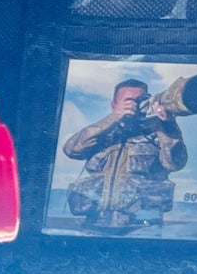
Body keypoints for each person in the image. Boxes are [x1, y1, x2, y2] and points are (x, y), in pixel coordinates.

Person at [63, 78, 188, 232]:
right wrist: (113, 118)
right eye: (129, 101)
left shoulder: (158, 134)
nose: (135, 105)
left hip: (142, 230)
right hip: (95, 225)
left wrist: (167, 125)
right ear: (114, 105)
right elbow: (71, 149)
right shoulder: (102, 134)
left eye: (141, 100)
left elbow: (175, 163)